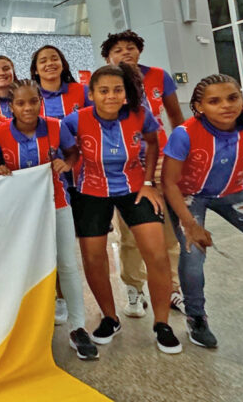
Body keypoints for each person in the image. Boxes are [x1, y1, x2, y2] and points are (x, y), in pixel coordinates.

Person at [60, 63, 182, 354]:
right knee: (93, 258)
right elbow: (68, 152)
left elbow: (153, 143)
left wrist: (150, 180)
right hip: (91, 191)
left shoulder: (141, 114)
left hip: (135, 188)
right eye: (103, 91)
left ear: (126, 94)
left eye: (117, 90)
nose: (111, 96)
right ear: (92, 94)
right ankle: (110, 318)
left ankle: (162, 324)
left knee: (157, 253)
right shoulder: (74, 121)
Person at [162, 74, 243, 344]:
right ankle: (196, 317)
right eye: (214, 101)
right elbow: (168, 182)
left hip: (235, 191)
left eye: (232, 97)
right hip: (189, 195)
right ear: (200, 107)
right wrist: (191, 225)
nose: (226, 105)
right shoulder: (185, 134)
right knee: (193, 252)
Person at [0, 80, 98, 360]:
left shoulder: (55, 127)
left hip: (57, 203)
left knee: (67, 264)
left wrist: (67, 163)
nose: (28, 108)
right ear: (10, 106)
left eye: (33, 101)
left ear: (40, 101)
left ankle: (78, 327)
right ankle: (27, 327)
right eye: (21, 103)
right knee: (24, 264)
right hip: (18, 210)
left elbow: (72, 151)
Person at [101, 30, 185, 317]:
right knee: (129, 230)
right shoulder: (105, 83)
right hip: (124, 166)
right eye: (118, 49)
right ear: (108, 57)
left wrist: (179, 154)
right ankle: (133, 287)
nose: (126, 52)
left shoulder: (159, 76)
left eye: (131, 47)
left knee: (167, 228)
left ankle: (173, 287)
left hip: (160, 158)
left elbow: (176, 119)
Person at [30, 45, 92, 119]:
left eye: (55, 59)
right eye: (43, 61)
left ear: (63, 65)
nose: (50, 63)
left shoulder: (83, 91)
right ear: (35, 70)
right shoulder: (29, 97)